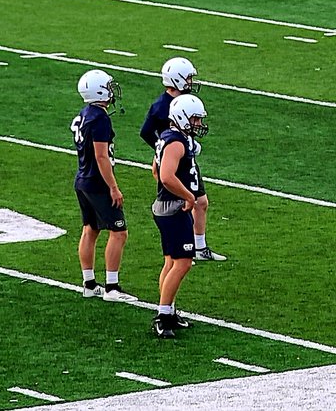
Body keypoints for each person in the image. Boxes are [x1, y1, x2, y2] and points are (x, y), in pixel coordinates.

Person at [141, 57, 225, 262]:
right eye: (187, 78)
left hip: (182, 156)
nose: (190, 82)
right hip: (174, 160)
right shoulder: (162, 106)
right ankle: (184, 248)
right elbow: (146, 132)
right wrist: (163, 151)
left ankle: (198, 246)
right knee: (183, 202)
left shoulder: (183, 101)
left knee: (201, 202)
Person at [71, 69, 136, 303]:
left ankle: (89, 284)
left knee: (90, 229)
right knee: (119, 232)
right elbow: (101, 157)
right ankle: (112, 287)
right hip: (97, 183)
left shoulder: (85, 114)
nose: (111, 91)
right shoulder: (99, 119)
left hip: (83, 179)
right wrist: (113, 187)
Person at [151, 94, 208, 338]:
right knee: (183, 262)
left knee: (172, 262)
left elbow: (155, 170)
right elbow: (165, 175)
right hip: (174, 208)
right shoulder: (175, 142)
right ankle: (163, 316)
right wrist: (187, 196)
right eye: (194, 118)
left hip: (167, 204)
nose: (197, 123)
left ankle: (168, 310)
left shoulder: (169, 138)